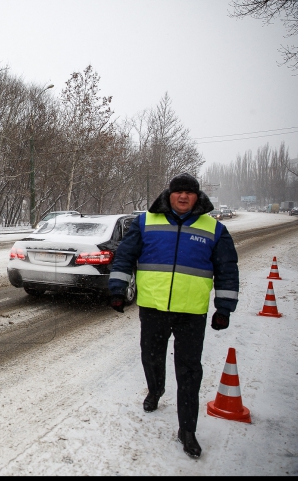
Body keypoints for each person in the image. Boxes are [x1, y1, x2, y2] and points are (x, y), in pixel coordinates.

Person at [107, 173, 239, 459]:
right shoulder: (145, 222)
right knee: (151, 356)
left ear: (197, 197)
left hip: (191, 312)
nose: (183, 197)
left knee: (190, 370)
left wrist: (224, 308)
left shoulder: (214, 229)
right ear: (168, 194)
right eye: (178, 191)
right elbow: (125, 257)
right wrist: (118, 288)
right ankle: (155, 391)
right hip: (154, 307)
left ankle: (187, 429)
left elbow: (227, 269)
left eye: (188, 193)